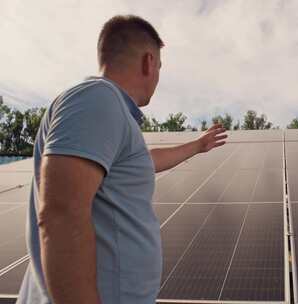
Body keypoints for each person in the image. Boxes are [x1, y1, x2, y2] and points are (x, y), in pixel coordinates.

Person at [16, 15, 227, 304]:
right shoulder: (97, 99)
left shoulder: (105, 108)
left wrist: (198, 145)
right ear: (148, 62)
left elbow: (145, 163)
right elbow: (60, 215)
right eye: (160, 68)